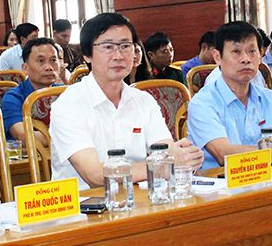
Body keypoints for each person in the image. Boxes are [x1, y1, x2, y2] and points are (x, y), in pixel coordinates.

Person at [49, 12, 204, 189]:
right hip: (84, 209)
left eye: (125, 46)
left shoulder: (144, 101)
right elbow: (96, 176)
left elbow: (166, 151)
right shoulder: (68, 105)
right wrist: (162, 165)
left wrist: (184, 157)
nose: (118, 55)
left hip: (139, 203)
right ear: (87, 55)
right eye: (108, 47)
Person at [188, 21, 272, 170]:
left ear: (260, 55)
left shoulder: (268, 98)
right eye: (236, 52)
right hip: (221, 187)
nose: (246, 59)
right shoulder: (202, 103)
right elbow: (224, 154)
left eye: (252, 51)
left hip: (268, 181)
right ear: (217, 57)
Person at [0, 38, 63, 142]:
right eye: (41, 61)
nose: (49, 67)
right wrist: (67, 136)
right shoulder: (13, 98)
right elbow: (23, 135)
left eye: (53, 60)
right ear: (25, 68)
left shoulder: (64, 94)